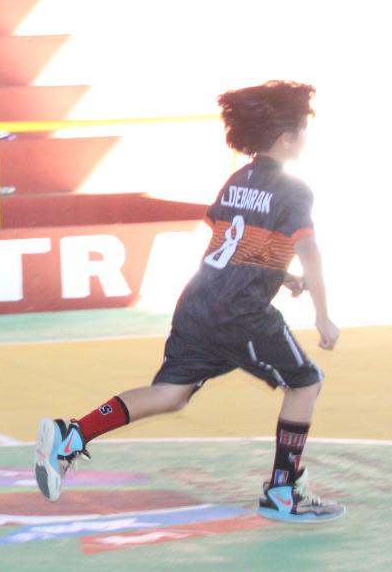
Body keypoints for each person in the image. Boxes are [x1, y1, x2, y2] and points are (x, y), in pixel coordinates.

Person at [34, 82, 344, 524]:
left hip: (199, 300)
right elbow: (309, 248)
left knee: (170, 393)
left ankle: (72, 435)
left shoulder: (238, 179)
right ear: (286, 138)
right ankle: (283, 490)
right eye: (302, 131)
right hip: (240, 310)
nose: (305, 140)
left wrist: (283, 276)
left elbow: (229, 240)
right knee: (305, 382)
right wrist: (323, 315)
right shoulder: (294, 190)